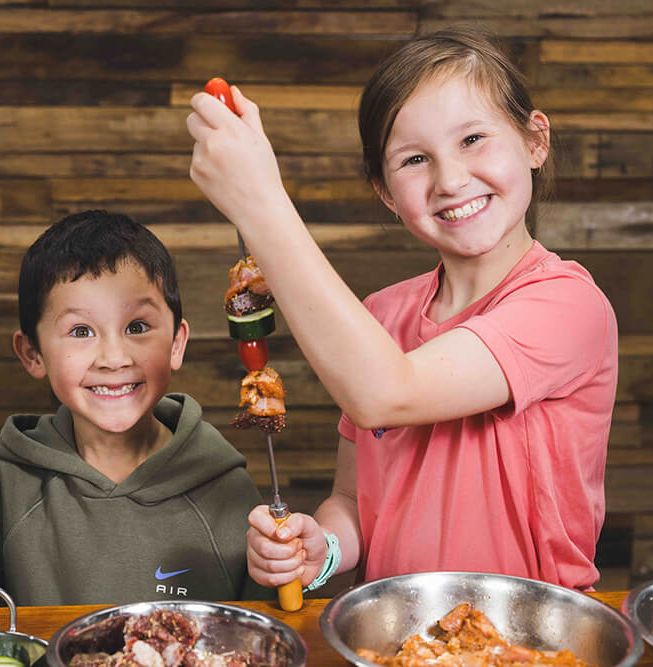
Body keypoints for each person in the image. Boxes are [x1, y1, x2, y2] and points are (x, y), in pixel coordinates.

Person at [186, 26, 617, 592]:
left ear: (535, 141)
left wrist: (260, 201)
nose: (451, 179)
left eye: (472, 139)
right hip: (397, 636)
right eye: (415, 159)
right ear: (386, 191)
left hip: (530, 637)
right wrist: (327, 548)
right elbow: (355, 500)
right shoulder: (379, 318)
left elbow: (388, 392)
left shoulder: (566, 304)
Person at [0, 210, 270, 609]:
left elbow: (271, 618)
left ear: (176, 344)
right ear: (33, 354)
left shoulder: (225, 488)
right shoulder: (3, 485)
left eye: (137, 327)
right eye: (81, 331)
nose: (114, 358)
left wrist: (285, 569)